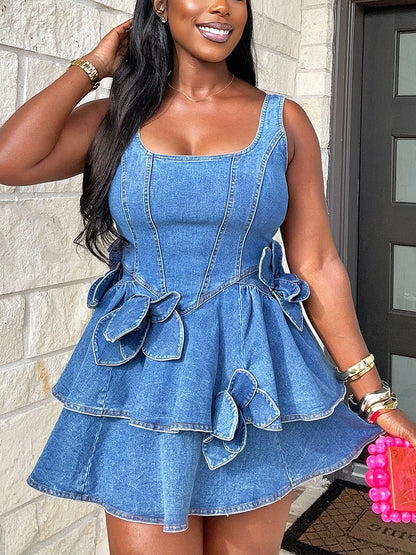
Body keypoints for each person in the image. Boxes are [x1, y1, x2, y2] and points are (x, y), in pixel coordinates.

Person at [1, 1, 416, 553]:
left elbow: (316, 263)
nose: (222, 5)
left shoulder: (283, 120)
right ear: (160, 5)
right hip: (143, 376)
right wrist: (94, 66)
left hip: (253, 377)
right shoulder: (115, 118)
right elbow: (11, 160)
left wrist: (375, 398)